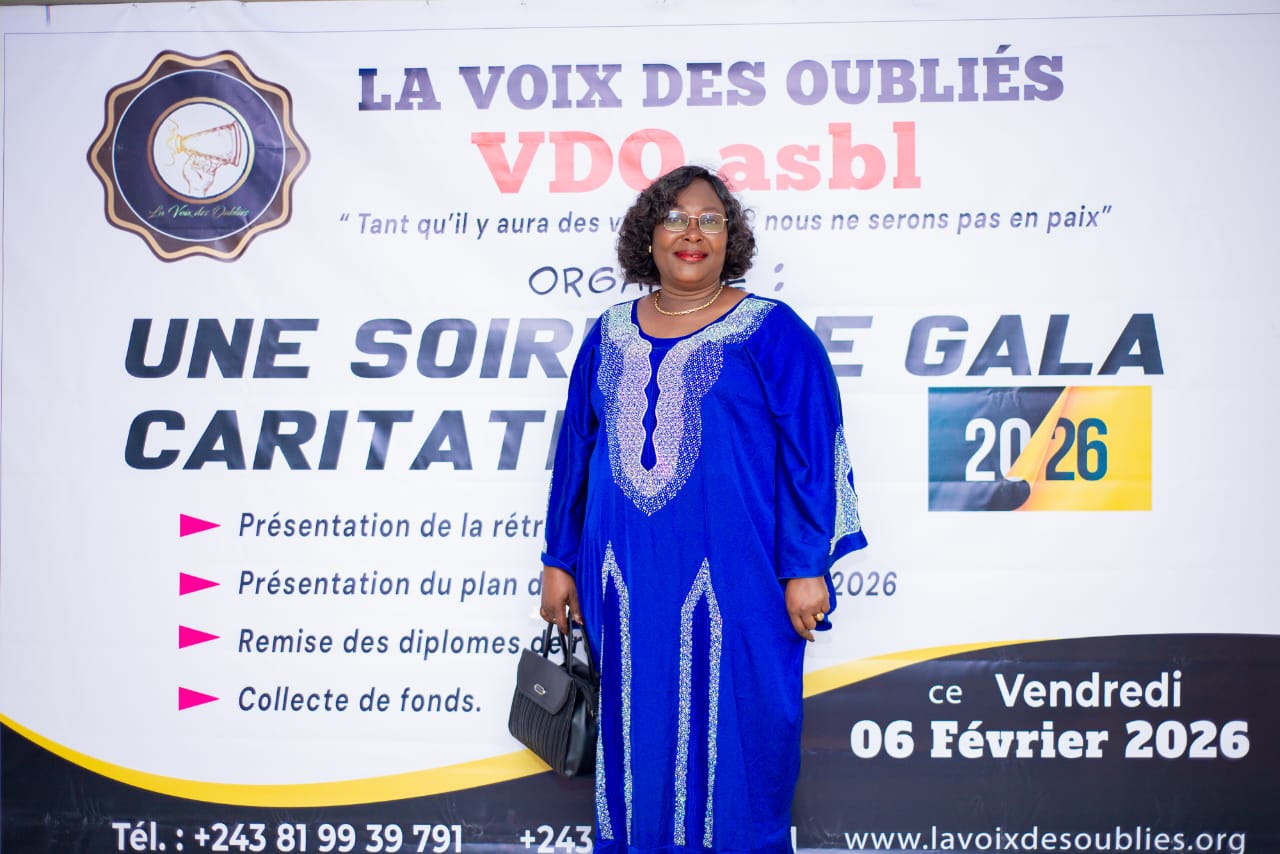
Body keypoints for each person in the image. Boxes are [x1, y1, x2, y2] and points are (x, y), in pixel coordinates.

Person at [539, 164, 867, 853]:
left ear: (730, 237)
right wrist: (559, 560)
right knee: (635, 731)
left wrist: (806, 566)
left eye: (710, 220)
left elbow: (814, 451)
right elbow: (576, 452)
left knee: (744, 734)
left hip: (740, 577)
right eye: (676, 219)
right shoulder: (608, 333)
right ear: (648, 236)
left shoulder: (771, 331)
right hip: (622, 576)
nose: (693, 233)